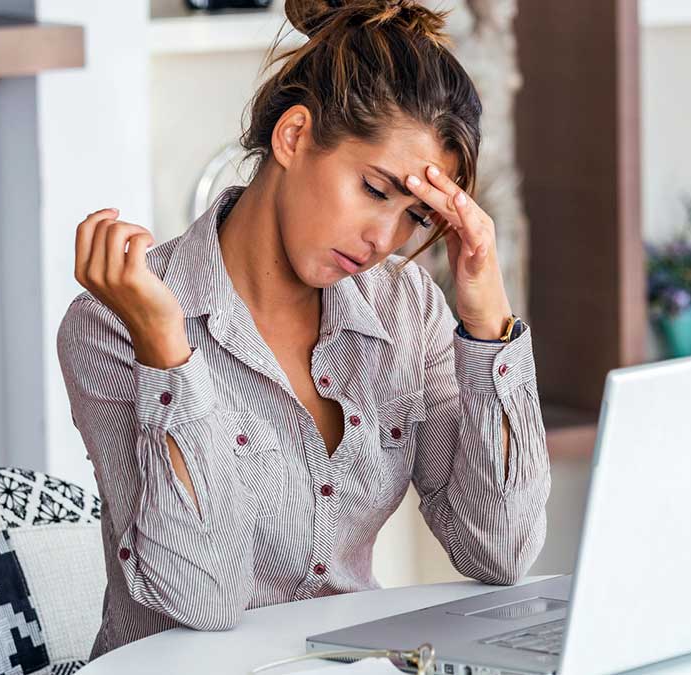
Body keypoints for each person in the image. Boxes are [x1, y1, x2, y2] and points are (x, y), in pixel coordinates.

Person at [56, 0, 551, 659]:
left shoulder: (408, 310)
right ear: (293, 136)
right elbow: (202, 598)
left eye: (415, 216)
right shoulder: (114, 325)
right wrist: (166, 352)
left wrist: (489, 322)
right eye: (375, 189)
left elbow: (502, 551)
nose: (386, 238)